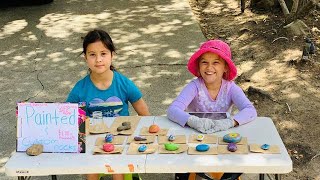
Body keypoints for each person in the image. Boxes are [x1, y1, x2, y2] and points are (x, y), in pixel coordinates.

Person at [167, 39, 257, 180]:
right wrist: (192, 121)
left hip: (223, 137)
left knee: (233, 170)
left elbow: (250, 110)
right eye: (204, 62)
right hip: (195, 137)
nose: (209, 68)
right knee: (182, 169)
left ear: (225, 67)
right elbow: (172, 110)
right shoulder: (195, 86)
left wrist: (229, 122)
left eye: (216, 62)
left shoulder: (231, 88)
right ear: (199, 66)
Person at [67, 29, 150, 180]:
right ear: (85, 57)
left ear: (113, 55)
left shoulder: (124, 83)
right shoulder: (79, 89)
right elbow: (66, 117)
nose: (98, 59)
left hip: (122, 139)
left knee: (118, 172)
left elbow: (144, 114)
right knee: (91, 173)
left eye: (103, 53)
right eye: (92, 54)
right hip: (93, 141)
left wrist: (137, 139)